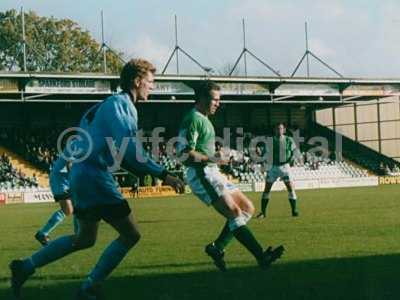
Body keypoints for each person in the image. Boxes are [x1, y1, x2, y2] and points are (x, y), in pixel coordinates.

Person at [10, 58, 185, 299]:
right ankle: (90, 286)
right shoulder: (122, 105)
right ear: (137, 81)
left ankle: (25, 266)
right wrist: (164, 174)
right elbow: (129, 151)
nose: (152, 87)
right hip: (94, 176)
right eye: (150, 82)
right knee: (131, 234)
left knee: (84, 238)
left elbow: (121, 155)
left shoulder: (103, 106)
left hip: (81, 175)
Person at [177, 81, 284, 272]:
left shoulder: (205, 119)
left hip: (212, 171)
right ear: (202, 98)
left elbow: (204, 152)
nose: (218, 103)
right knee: (234, 213)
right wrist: (212, 158)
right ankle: (261, 257)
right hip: (201, 174)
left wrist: (220, 157)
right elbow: (183, 154)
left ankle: (217, 248)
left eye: (219, 100)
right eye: (215, 100)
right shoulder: (192, 119)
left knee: (247, 209)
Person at [256, 123, 301, 219]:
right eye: (277, 128)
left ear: (284, 130)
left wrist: (292, 159)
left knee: (290, 188)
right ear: (275, 130)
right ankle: (263, 212)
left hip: (285, 167)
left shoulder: (289, 140)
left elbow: (295, 151)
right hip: (273, 168)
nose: (279, 130)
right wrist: (262, 160)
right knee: (267, 189)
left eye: (280, 128)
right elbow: (265, 154)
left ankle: (294, 210)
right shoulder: (270, 141)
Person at [34, 153, 78, 246]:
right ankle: (42, 233)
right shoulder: (76, 148)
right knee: (67, 210)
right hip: (60, 181)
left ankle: (78, 233)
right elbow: (69, 163)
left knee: (77, 204)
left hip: (64, 180)